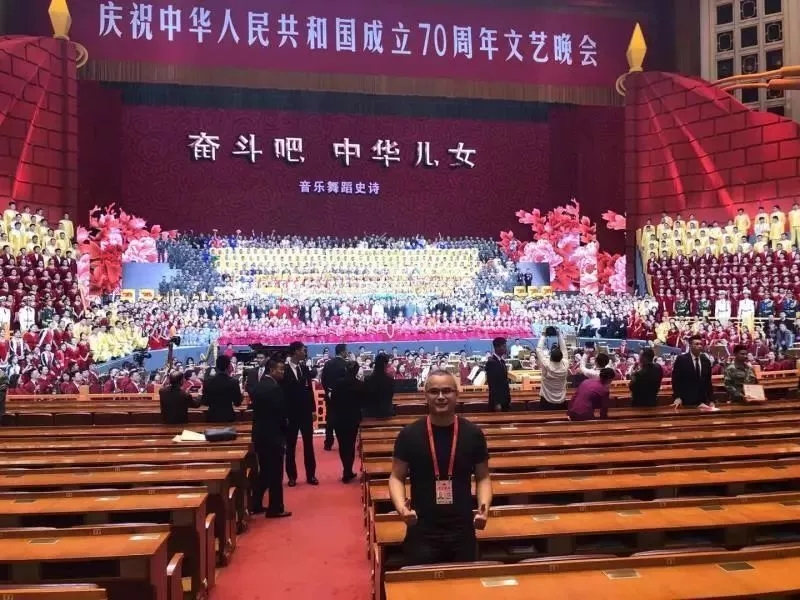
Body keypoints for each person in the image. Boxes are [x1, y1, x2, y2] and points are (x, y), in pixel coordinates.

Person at [389, 371, 492, 566]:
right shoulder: (409, 434)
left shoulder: (473, 434)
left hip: (462, 528)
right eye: (434, 391)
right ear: (425, 395)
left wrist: (484, 508)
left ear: (457, 394)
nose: (441, 396)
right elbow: (396, 477)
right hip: (421, 526)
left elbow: (483, 477)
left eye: (447, 391)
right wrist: (402, 508)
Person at [250, 355, 291, 518]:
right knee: (275, 473)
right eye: (281, 369)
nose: (283, 372)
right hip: (273, 435)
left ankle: (256, 504)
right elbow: (280, 414)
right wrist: (285, 433)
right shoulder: (274, 388)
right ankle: (275, 508)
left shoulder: (259, 385)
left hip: (259, 434)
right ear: (272, 370)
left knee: (265, 472)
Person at [281, 341, 318, 487]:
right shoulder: (284, 370)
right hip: (290, 413)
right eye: (303, 350)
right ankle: (292, 476)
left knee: (309, 445)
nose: (305, 352)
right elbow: (282, 394)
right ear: (296, 351)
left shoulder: (304, 368)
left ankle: (311, 475)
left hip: (305, 412)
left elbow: (309, 391)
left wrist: (313, 410)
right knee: (290, 446)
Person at [329, 361, 365, 483]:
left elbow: (332, 400)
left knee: (342, 445)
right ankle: (348, 470)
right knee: (350, 445)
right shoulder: (360, 384)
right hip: (353, 418)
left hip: (339, 418)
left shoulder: (337, 384)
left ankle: (346, 469)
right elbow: (362, 402)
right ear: (356, 371)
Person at [671, 334, 715, 410]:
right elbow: (676, 380)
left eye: (701, 344)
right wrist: (677, 397)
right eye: (697, 344)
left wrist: (711, 400)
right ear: (690, 345)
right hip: (685, 400)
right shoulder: (682, 359)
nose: (700, 346)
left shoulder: (705, 360)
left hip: (702, 401)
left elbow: (708, 381)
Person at [320, 343, 348, 450]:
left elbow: (323, 379)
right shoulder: (346, 364)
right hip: (343, 397)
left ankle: (328, 443)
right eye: (346, 350)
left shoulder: (328, 364)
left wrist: (328, 391)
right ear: (342, 351)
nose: (347, 352)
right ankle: (343, 442)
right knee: (343, 419)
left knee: (330, 420)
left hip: (330, 395)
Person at [201, 355, 243, 422]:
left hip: (212, 416)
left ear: (216, 366)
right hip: (228, 416)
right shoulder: (234, 382)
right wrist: (241, 394)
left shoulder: (207, 382)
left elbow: (205, 402)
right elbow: (237, 403)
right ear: (229, 366)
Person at [535, 328, 569, 410]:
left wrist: (543, 335)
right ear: (561, 358)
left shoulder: (546, 365)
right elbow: (564, 349)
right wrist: (559, 335)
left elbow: (539, 349)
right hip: (561, 401)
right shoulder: (565, 365)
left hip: (546, 401)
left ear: (550, 357)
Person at [363, 352, 395, 418]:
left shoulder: (367, 379)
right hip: (385, 413)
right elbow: (389, 397)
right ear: (385, 364)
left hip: (370, 413)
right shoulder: (389, 380)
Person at [485, 337, 511, 412]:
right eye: (504, 346)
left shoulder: (502, 361)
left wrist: (508, 399)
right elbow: (492, 384)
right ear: (497, 348)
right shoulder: (491, 362)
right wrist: (497, 403)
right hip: (497, 402)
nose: (506, 348)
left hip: (505, 399)